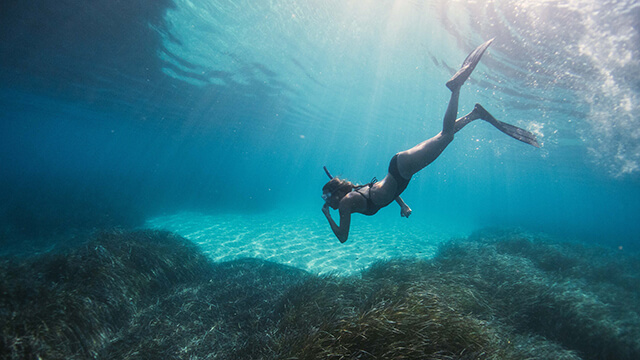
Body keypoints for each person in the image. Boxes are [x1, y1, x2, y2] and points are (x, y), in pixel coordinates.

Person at [321, 39, 539, 243]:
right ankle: (475, 114)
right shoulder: (353, 193)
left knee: (446, 136)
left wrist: (328, 214)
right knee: (442, 136)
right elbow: (383, 192)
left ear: (335, 194)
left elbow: (343, 237)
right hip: (399, 167)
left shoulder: (346, 203)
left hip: (401, 170)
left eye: (326, 197)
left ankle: (456, 89)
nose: (326, 201)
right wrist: (403, 205)